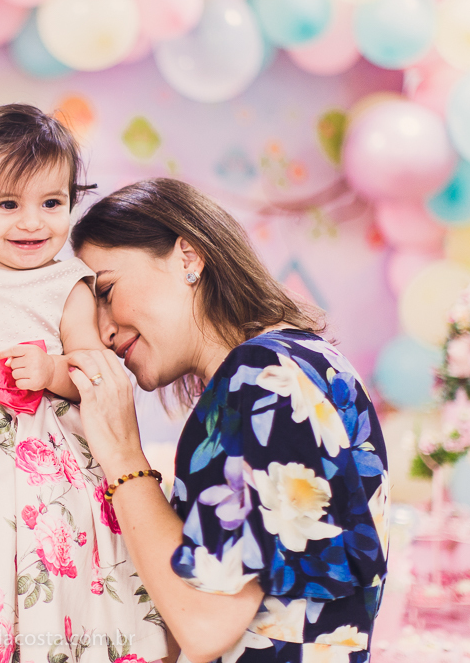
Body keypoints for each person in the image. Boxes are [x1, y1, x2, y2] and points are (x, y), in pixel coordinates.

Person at [65, 178, 389, 663]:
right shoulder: (298, 361)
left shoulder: (260, 379)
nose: (104, 331)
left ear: (188, 258)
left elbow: (204, 624)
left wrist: (122, 453)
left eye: (107, 291)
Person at [0, 106, 168, 663]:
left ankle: (53, 637)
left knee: (43, 548)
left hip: (37, 446)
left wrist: (51, 371)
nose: (32, 223)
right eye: (9, 204)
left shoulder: (68, 285)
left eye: (51, 203)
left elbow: (94, 368)